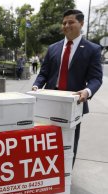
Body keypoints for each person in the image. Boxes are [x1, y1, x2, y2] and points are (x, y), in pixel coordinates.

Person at [32, 9, 103, 166]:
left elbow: (96, 78)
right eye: (64, 23)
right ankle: (46, 169)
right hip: (49, 101)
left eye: (71, 22)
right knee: (47, 138)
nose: (66, 25)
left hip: (74, 103)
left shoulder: (92, 49)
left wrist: (87, 91)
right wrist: (36, 85)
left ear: (81, 23)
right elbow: (43, 73)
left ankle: (66, 173)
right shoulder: (53, 48)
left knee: (69, 141)